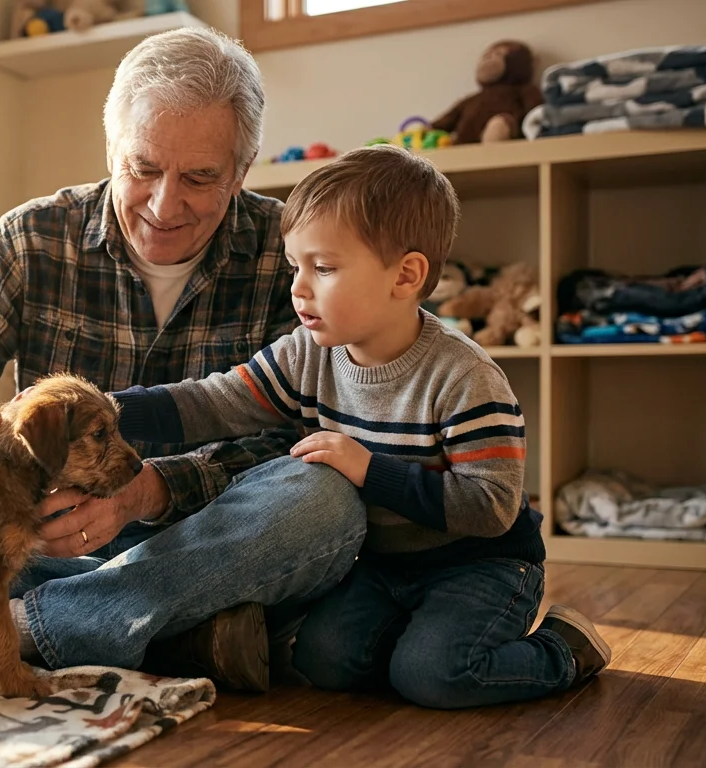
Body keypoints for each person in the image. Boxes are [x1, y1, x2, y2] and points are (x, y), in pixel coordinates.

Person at [0, 26, 367, 692]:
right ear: (111, 149)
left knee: (323, 501)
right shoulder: (31, 238)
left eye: (200, 178)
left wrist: (149, 492)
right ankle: (169, 631)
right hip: (23, 539)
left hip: (193, 537)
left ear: (242, 172)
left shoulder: (289, 255)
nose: (164, 205)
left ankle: (33, 628)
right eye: (144, 168)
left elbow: (298, 438)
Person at [111, 143, 611, 709]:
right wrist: (108, 411)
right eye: (295, 267)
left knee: (435, 676)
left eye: (322, 269)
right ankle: (413, 645)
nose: (298, 288)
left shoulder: (465, 376)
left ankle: (565, 649)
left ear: (405, 276)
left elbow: (492, 509)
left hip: (481, 563)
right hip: (384, 565)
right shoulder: (310, 353)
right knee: (323, 660)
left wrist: (369, 469)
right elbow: (216, 402)